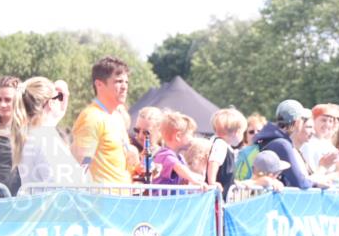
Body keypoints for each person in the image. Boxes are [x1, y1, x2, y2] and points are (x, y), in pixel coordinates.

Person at [71, 56, 138, 184]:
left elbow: (119, 165)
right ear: (99, 84)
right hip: (101, 201)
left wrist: (139, 170)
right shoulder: (91, 117)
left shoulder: (117, 117)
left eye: (126, 82)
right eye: (118, 81)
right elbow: (80, 166)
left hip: (122, 200)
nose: (124, 87)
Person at [15, 77, 85, 186]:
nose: (61, 102)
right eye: (59, 98)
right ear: (51, 102)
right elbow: (63, 186)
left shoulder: (30, 135)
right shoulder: (46, 139)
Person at [252, 99, 325, 189]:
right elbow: (300, 182)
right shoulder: (282, 145)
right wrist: (316, 184)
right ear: (298, 121)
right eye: (302, 120)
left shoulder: (266, 139)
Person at [154, 111, 206, 186]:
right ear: (178, 136)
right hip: (162, 197)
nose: (192, 138)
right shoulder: (165, 155)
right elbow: (179, 168)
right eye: (190, 134)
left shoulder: (179, 157)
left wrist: (202, 180)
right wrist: (195, 181)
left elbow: (185, 175)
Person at [207, 108, 247, 198]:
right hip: (216, 197)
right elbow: (214, 162)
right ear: (236, 132)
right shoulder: (221, 145)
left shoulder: (224, 146)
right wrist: (212, 182)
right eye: (242, 132)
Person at [301, 103, 339, 174]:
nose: (327, 124)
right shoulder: (307, 144)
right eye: (323, 120)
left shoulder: (327, 143)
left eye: (330, 121)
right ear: (313, 120)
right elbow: (312, 175)